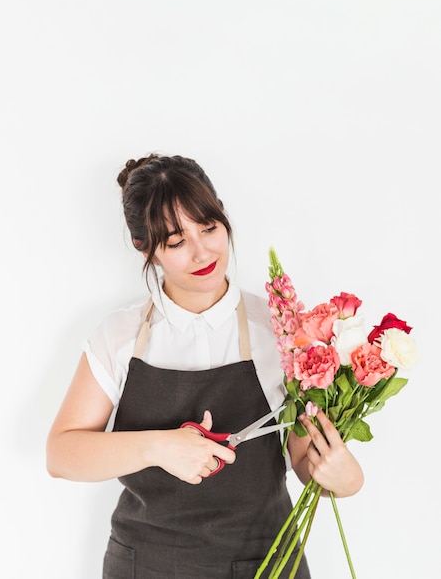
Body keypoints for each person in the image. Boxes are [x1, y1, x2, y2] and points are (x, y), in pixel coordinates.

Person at [46, 154, 364, 578]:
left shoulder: (280, 331)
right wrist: (160, 446)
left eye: (209, 227)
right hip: (147, 565)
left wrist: (344, 479)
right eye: (176, 242)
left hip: (263, 564)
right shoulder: (119, 336)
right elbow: (61, 454)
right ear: (147, 249)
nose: (202, 252)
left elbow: (305, 460)